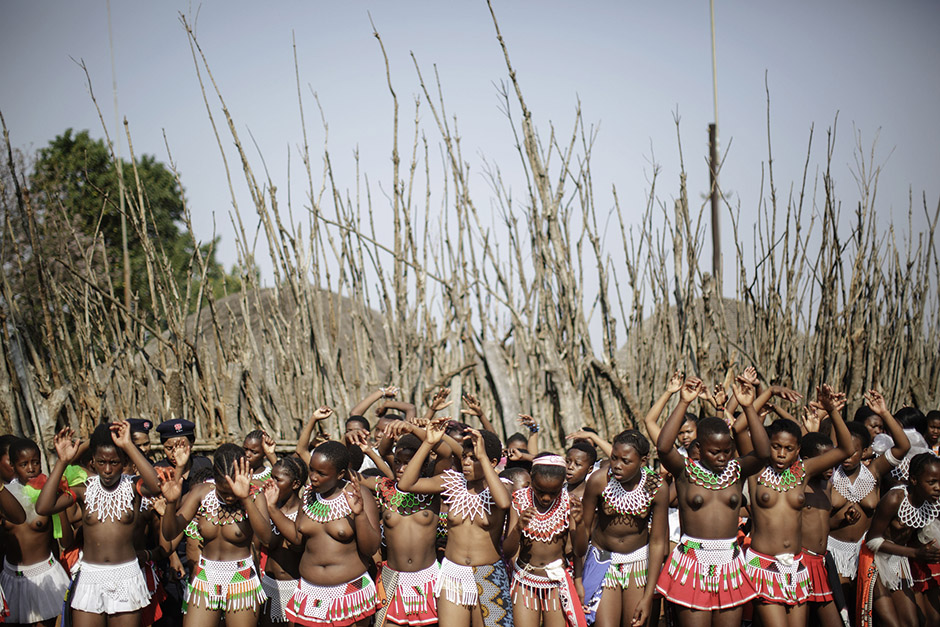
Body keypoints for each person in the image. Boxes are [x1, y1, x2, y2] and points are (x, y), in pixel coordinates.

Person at [654, 375, 770, 627]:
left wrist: (749, 407)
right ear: (699, 447)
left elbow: (763, 454)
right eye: (714, 451)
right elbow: (663, 448)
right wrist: (683, 402)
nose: (722, 457)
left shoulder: (736, 470)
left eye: (727, 451)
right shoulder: (685, 471)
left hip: (730, 562)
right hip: (692, 561)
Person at [737, 384, 853, 627]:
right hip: (762, 565)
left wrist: (832, 411)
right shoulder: (756, 467)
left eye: (788, 449)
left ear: (798, 450)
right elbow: (739, 429)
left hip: (797, 568)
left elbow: (845, 449)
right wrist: (761, 397)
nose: (781, 454)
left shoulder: (803, 472)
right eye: (775, 446)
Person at [36, 421, 162, 624]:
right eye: (101, 462)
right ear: (92, 462)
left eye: (114, 462)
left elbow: (156, 486)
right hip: (90, 576)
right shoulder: (84, 490)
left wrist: (128, 445)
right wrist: (62, 462)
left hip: (126, 576)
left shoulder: (132, 488)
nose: (108, 469)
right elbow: (43, 507)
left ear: (123, 461)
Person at [397, 421, 514, 627]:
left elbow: (504, 503)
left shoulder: (500, 488)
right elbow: (407, 484)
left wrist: (483, 457)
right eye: (465, 457)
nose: (467, 463)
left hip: (488, 574)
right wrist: (428, 443)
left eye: (473, 458)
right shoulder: (451, 482)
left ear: (492, 461)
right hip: (453, 574)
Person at [268, 440, 381, 627]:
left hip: (348, 592)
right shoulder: (309, 496)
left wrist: (359, 514)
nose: (313, 477)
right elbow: (297, 538)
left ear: (340, 474)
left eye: (321, 473)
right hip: (310, 592)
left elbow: (370, 548)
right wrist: (272, 509)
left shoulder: (359, 496)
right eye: (311, 470)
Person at [161, 443, 273, 627]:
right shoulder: (201, 493)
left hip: (241, 577)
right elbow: (170, 533)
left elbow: (267, 538)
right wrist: (171, 503)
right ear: (215, 479)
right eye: (224, 491)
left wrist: (245, 499)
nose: (230, 497)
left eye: (233, 492)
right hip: (206, 575)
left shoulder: (254, 495)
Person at [829, 390, 909, 610]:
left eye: (853, 452)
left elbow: (903, 446)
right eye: (843, 451)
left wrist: (884, 413)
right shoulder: (830, 473)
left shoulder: (873, 472)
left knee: (864, 612)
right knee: (841, 610)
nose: (846, 457)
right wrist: (833, 412)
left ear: (864, 451)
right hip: (834, 551)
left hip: (865, 551)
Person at [580, 430, 667, 627]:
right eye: (614, 458)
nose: (617, 466)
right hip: (603, 562)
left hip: (638, 563)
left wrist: (648, 595)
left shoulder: (656, 488)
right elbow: (583, 531)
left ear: (643, 461)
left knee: (634, 623)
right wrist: (579, 577)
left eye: (625, 461)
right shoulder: (598, 481)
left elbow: (657, 541)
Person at [362, 429, 442, 627]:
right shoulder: (384, 487)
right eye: (397, 461)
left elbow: (447, 454)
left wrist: (425, 437)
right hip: (393, 579)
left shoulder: (433, 489)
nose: (400, 467)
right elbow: (351, 477)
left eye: (408, 462)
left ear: (422, 464)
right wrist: (350, 444)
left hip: (428, 579)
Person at [503, 453, 587, 627]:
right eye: (540, 491)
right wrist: (518, 527)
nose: (546, 498)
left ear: (562, 485)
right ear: (531, 480)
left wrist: (580, 524)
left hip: (555, 583)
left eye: (553, 492)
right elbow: (508, 551)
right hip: (524, 581)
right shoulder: (519, 501)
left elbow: (579, 551)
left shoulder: (569, 503)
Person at [861, 453, 940, 627]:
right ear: (914, 480)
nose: (938, 488)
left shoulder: (932, 502)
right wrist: (915, 553)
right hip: (875, 560)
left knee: (911, 622)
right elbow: (872, 540)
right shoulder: (895, 498)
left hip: (899, 561)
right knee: (891, 623)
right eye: (932, 482)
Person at [0, 437, 72, 627]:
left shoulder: (49, 493)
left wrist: (58, 503)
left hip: (45, 576)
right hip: (11, 575)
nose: (31, 468)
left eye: (35, 462)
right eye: (24, 464)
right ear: (13, 467)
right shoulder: (4, 497)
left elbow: (66, 541)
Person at [259, 456, 307, 626]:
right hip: (269, 585)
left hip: (296, 588)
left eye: (277, 479)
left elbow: (297, 543)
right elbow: (263, 543)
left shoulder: (304, 509)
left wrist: (272, 509)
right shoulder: (265, 505)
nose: (271, 483)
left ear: (295, 484)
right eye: (270, 477)